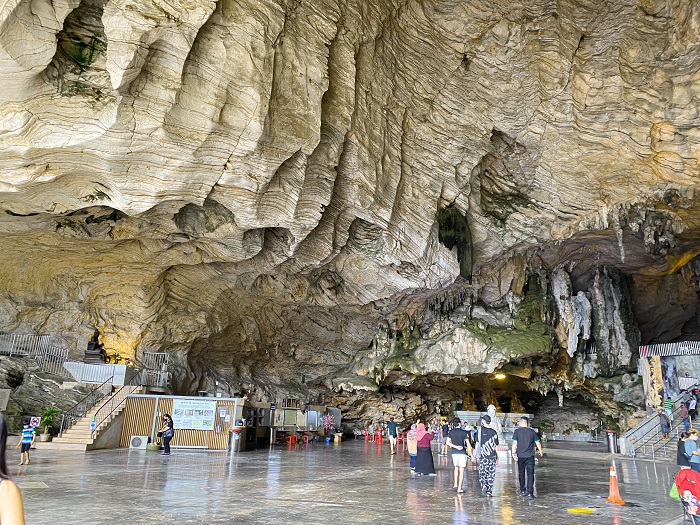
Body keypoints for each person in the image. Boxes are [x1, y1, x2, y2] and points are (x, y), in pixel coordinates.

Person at [0, 414, 27, 524]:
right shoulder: (5, 489)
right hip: (25, 443)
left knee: (25, 452)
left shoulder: (4, 489)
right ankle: (23, 461)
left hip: (27, 443)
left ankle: (25, 460)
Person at [512, 417, 543, 499]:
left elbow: (514, 443)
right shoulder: (532, 432)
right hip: (530, 456)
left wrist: (513, 453)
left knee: (521, 473)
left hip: (520, 456)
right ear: (527, 423)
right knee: (530, 474)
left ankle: (522, 490)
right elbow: (538, 443)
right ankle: (530, 493)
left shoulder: (517, 432)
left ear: (521, 423)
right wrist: (540, 451)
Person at [446, 417, 471, 493]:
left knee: (456, 468)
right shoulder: (464, 432)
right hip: (462, 453)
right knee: (462, 470)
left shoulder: (451, 432)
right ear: (459, 424)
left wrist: (455, 446)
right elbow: (468, 444)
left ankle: (455, 484)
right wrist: (471, 454)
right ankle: (459, 488)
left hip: (454, 453)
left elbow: (447, 442)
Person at [478, 415, 499, 498]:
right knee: (491, 474)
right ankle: (489, 492)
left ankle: (483, 485)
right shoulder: (494, 432)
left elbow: (477, 443)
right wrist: (497, 457)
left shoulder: (480, 431)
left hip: (483, 456)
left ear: (483, 421)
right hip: (492, 456)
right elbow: (496, 445)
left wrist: (475, 454)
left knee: (482, 473)